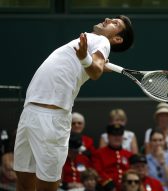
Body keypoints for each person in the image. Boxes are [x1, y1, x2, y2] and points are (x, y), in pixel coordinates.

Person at [13, 15, 134, 191]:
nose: (108, 19)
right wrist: (88, 59)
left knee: (47, 186)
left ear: (117, 39)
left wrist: (85, 58)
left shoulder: (102, 42)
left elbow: (96, 71)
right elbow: (95, 66)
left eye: (115, 23)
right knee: (23, 182)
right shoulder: (90, 43)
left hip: (52, 119)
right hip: (30, 112)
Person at [93, 124, 133, 191]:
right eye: (114, 135)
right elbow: (97, 171)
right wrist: (107, 182)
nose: (117, 138)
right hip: (106, 187)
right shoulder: (99, 153)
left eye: (119, 135)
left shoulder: (129, 154)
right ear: (108, 137)